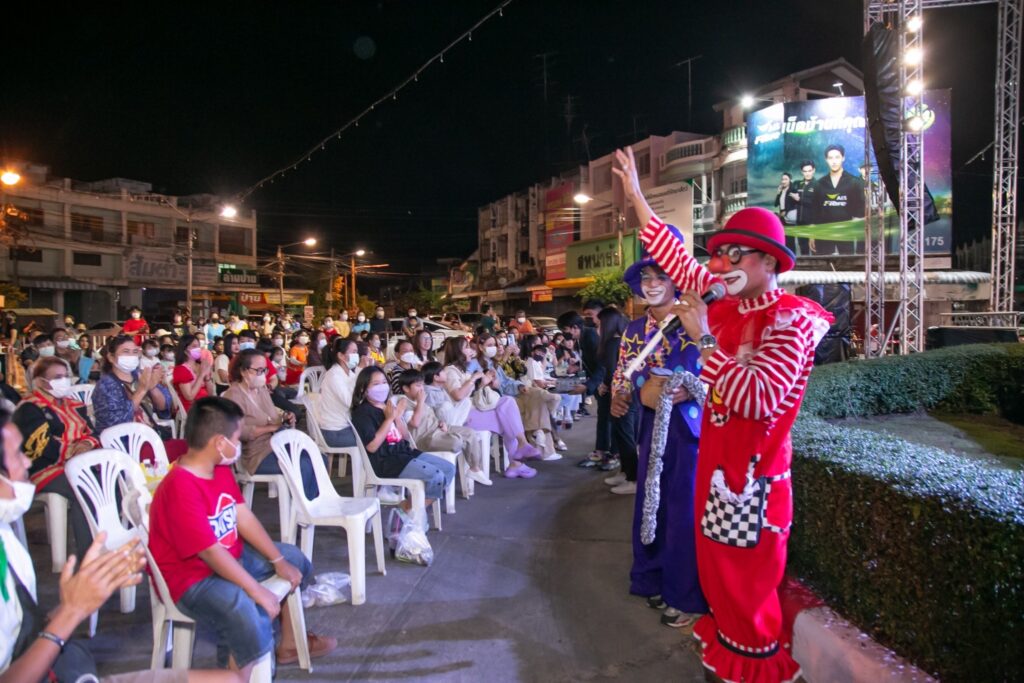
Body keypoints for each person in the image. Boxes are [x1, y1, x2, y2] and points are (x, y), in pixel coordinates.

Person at [616, 145, 832, 682]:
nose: (720, 266)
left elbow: (758, 397)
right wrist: (637, 198)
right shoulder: (728, 305)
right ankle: (731, 652)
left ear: (770, 262)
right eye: (719, 255)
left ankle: (753, 666)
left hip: (753, 481)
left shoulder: (791, 320)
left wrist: (704, 340)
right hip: (717, 471)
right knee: (718, 570)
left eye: (737, 255)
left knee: (746, 581)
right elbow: (676, 259)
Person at [148, 397, 335, 677]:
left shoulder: (218, 468)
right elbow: (210, 552)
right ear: (219, 443)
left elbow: (242, 516)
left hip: (230, 556)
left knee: (294, 558)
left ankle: (289, 644)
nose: (239, 445)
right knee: (243, 610)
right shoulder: (179, 487)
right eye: (236, 439)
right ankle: (236, 674)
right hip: (192, 578)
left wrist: (278, 559)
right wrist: (255, 590)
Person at [12, 356, 99, 561]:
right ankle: (90, 558)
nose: (64, 380)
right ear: (41, 381)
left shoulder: (73, 405)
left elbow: (92, 431)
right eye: (57, 377)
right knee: (85, 490)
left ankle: (113, 544)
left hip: (79, 463)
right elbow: (42, 447)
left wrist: (87, 444)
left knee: (113, 481)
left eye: (66, 375)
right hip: (45, 468)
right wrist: (73, 451)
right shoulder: (29, 408)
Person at [349, 367, 456, 523]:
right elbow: (372, 446)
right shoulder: (363, 412)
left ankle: (407, 508)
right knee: (435, 476)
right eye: (376, 384)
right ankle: (412, 518)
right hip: (387, 461)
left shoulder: (387, 406)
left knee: (448, 469)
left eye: (384, 382)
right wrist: (388, 419)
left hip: (404, 453)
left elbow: (405, 436)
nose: (382, 387)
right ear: (364, 389)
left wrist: (397, 417)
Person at [221, 350, 323, 502]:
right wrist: (270, 428)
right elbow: (237, 431)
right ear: (243, 371)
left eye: (265, 370)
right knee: (303, 464)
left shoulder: (261, 390)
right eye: (258, 370)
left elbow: (272, 417)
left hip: (276, 444)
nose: (262, 374)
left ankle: (313, 503)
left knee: (318, 457)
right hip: (256, 455)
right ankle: (305, 507)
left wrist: (285, 417)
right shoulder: (234, 395)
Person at [441, 337, 541, 478]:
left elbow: (471, 393)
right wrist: (474, 379)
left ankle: (519, 452)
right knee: (508, 417)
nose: (470, 350)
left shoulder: (462, 370)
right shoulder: (450, 371)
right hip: (463, 418)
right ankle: (517, 458)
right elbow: (458, 396)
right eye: (466, 347)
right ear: (457, 351)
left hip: (472, 412)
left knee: (507, 404)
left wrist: (483, 382)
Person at [397, 369, 492, 486]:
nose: (421, 389)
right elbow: (415, 423)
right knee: (456, 441)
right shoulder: (404, 403)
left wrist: (441, 423)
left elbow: (431, 417)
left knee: (469, 433)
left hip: (437, 430)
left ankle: (474, 469)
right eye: (417, 386)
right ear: (406, 388)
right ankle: (451, 439)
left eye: (422, 385)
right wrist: (420, 403)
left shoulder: (419, 400)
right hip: (426, 439)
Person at [91, 335, 172, 437]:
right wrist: (142, 390)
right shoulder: (106, 385)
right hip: (122, 440)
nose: (131, 356)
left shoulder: (138, 375)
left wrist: (152, 387)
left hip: (148, 433)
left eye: (135, 352)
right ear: (111, 357)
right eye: (126, 352)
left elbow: (163, 407)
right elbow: (119, 421)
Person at [597, 307, 637, 494]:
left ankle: (633, 479)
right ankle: (625, 471)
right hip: (623, 396)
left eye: (599, 324)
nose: (597, 328)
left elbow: (614, 371)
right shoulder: (621, 341)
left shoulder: (614, 343)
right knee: (621, 436)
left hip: (623, 397)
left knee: (626, 437)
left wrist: (605, 384)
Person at [557, 311, 607, 463]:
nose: (564, 334)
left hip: (606, 383)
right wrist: (577, 367)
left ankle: (608, 453)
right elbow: (588, 361)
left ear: (574, 328)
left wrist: (587, 386)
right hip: (598, 382)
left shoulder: (591, 337)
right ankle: (602, 451)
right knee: (604, 418)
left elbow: (602, 365)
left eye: (565, 330)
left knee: (607, 420)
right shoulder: (580, 338)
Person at [813, 144, 864, 255]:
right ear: (826, 160)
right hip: (824, 233)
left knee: (847, 263)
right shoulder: (819, 183)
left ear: (843, 158)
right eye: (830, 158)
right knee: (824, 263)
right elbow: (816, 211)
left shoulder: (854, 182)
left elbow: (861, 208)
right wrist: (813, 234)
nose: (834, 161)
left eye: (837, 157)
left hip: (846, 232)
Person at [316, 337, 364, 449]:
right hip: (334, 431)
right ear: (341, 356)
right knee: (372, 440)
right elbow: (351, 402)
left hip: (347, 425)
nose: (357, 355)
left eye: (357, 352)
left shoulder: (348, 373)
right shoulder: (334, 375)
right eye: (354, 352)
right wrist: (359, 371)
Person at [172, 335, 215, 412]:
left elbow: (211, 393)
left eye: (198, 346)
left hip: (205, 403)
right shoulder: (181, 369)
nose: (198, 349)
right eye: (194, 346)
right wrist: (201, 375)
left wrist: (207, 377)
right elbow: (189, 397)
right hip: (192, 407)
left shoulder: (200, 365)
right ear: (185, 350)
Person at [789, 160, 817, 256]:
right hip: (800, 223)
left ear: (814, 170)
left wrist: (799, 199)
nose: (807, 173)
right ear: (802, 172)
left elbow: (816, 203)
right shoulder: (798, 184)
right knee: (803, 250)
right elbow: (792, 200)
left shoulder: (818, 185)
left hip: (812, 224)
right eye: (805, 171)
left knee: (814, 250)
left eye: (809, 171)